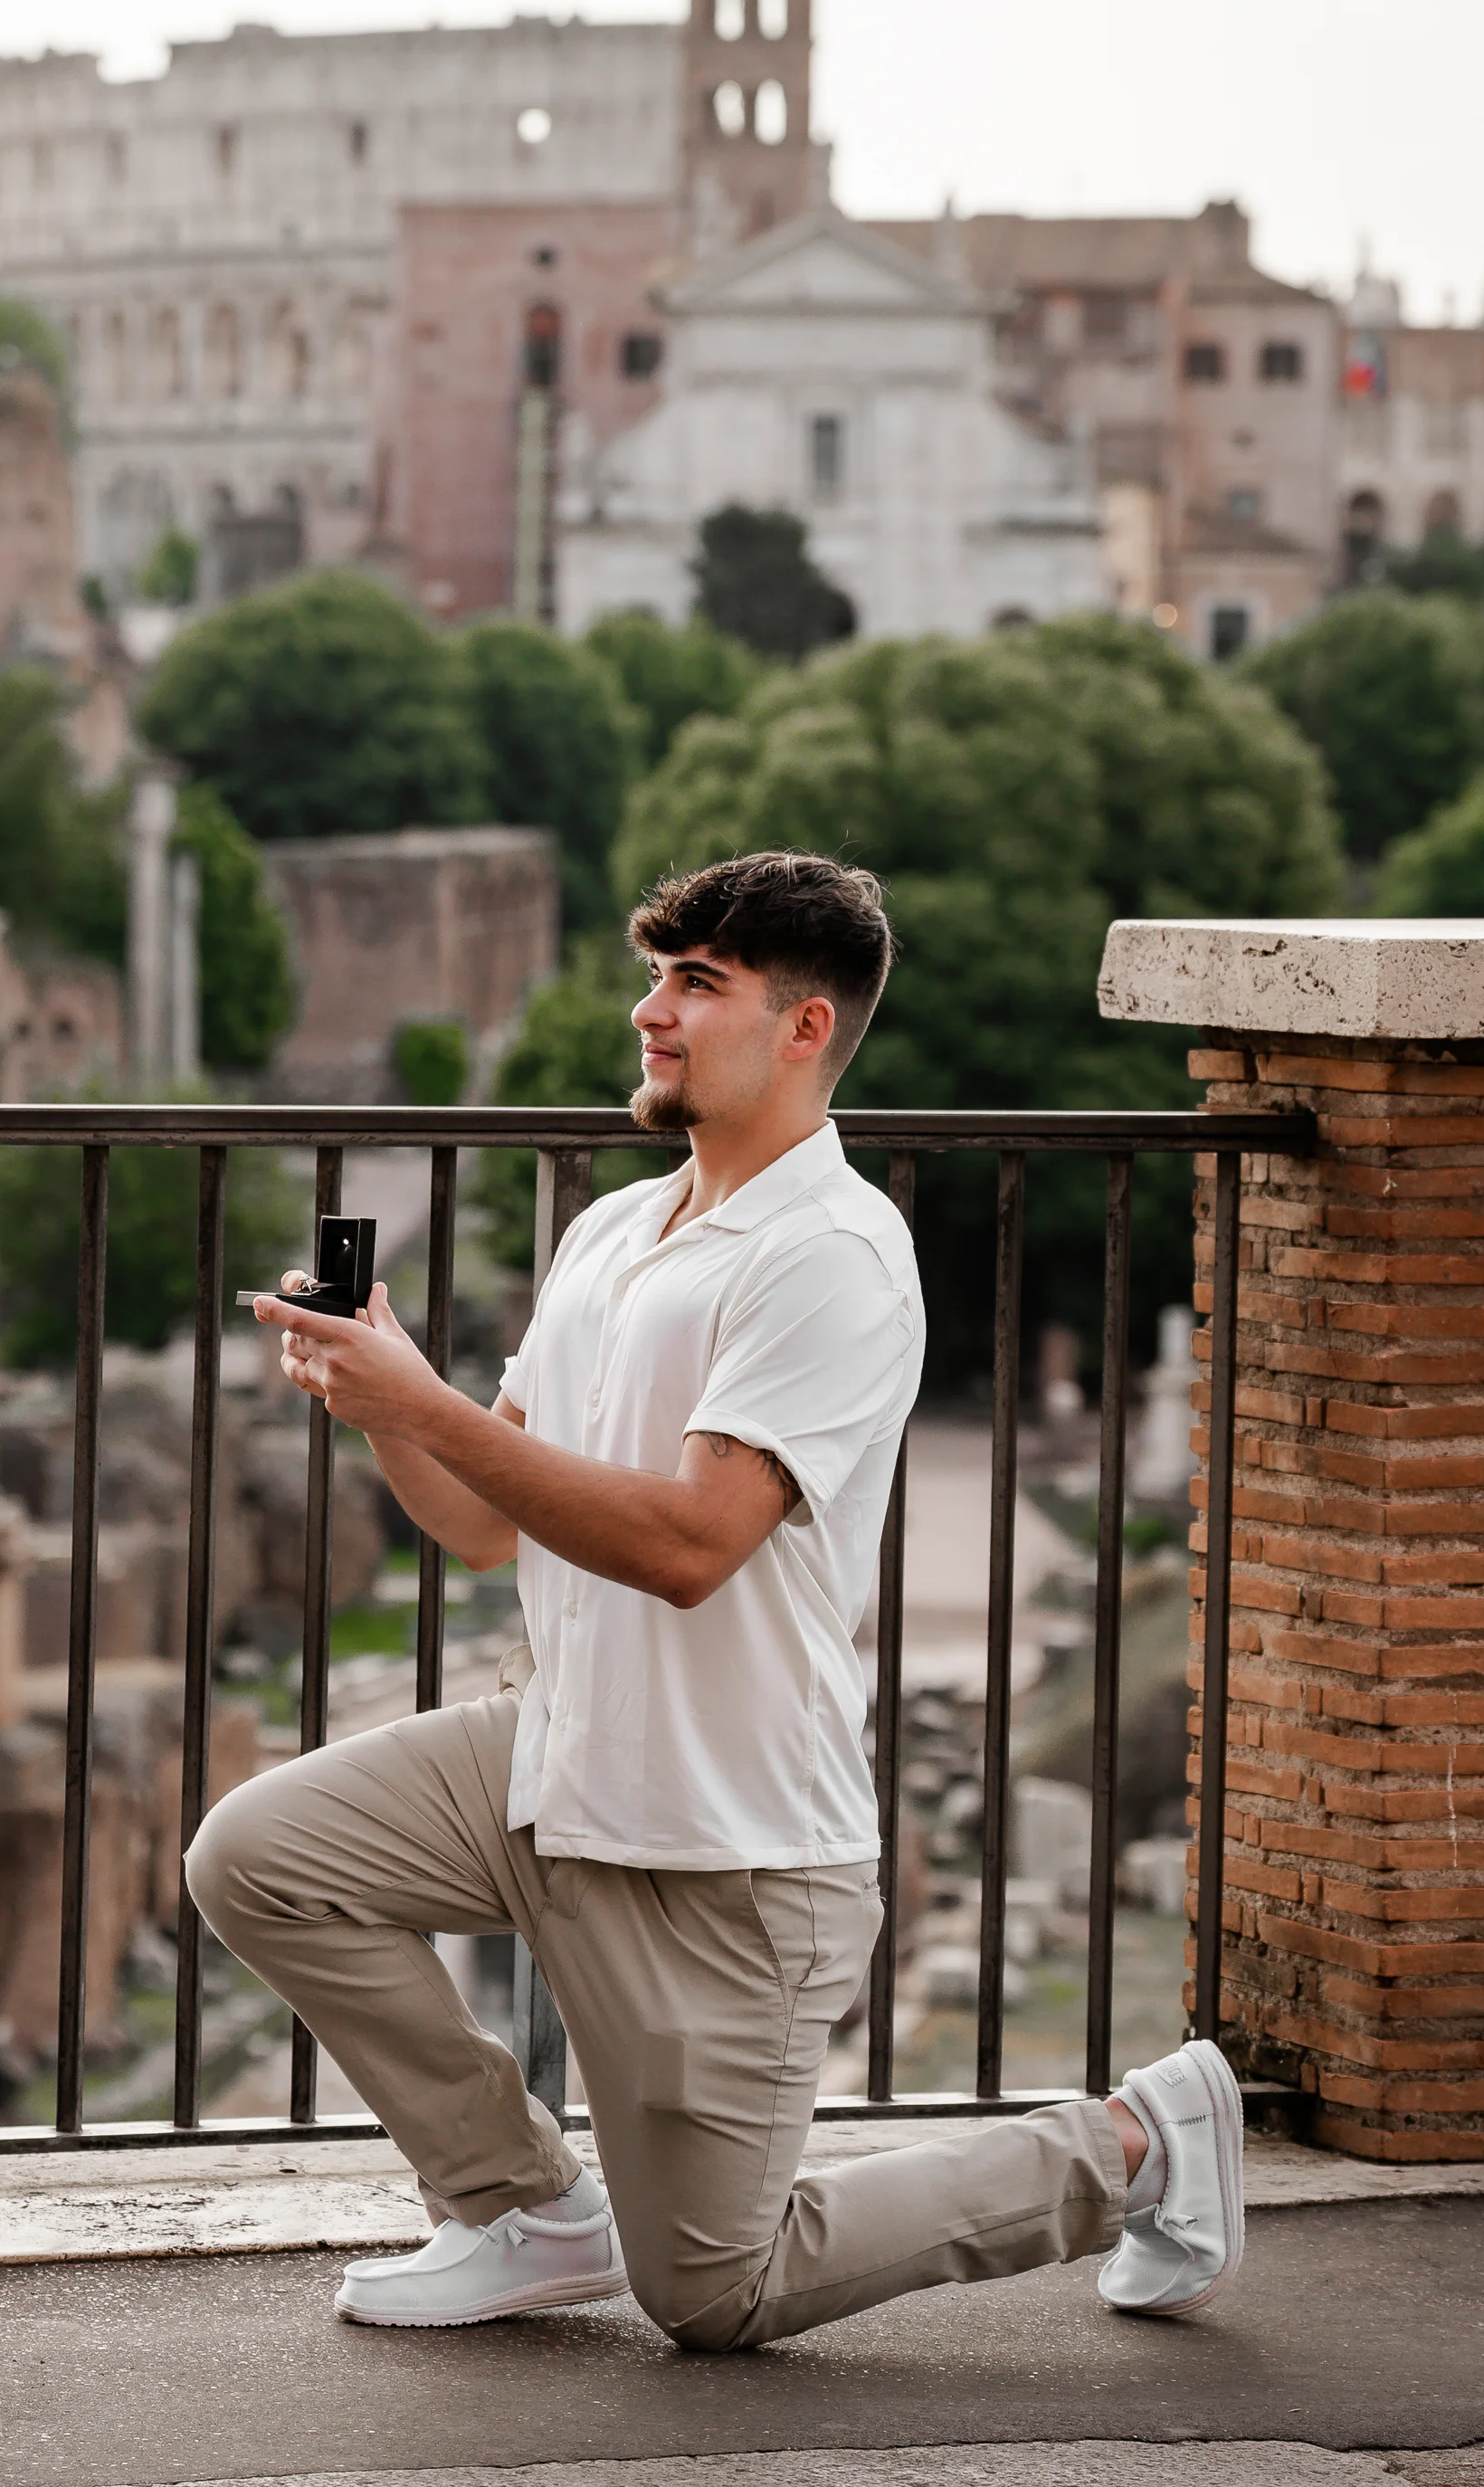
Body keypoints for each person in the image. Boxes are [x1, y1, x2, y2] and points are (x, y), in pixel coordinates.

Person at [191, 849, 1243, 2349]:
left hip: (725, 1849)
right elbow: (491, 1528)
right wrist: (389, 1409)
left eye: (697, 985)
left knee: (718, 2294)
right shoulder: (614, 1234)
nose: (651, 1013)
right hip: (550, 1762)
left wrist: (429, 1402)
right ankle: (518, 2203)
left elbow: (695, 1544)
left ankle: (1136, 2143)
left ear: (805, 1027)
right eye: (657, 978)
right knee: (261, 1857)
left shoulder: (835, 1257)